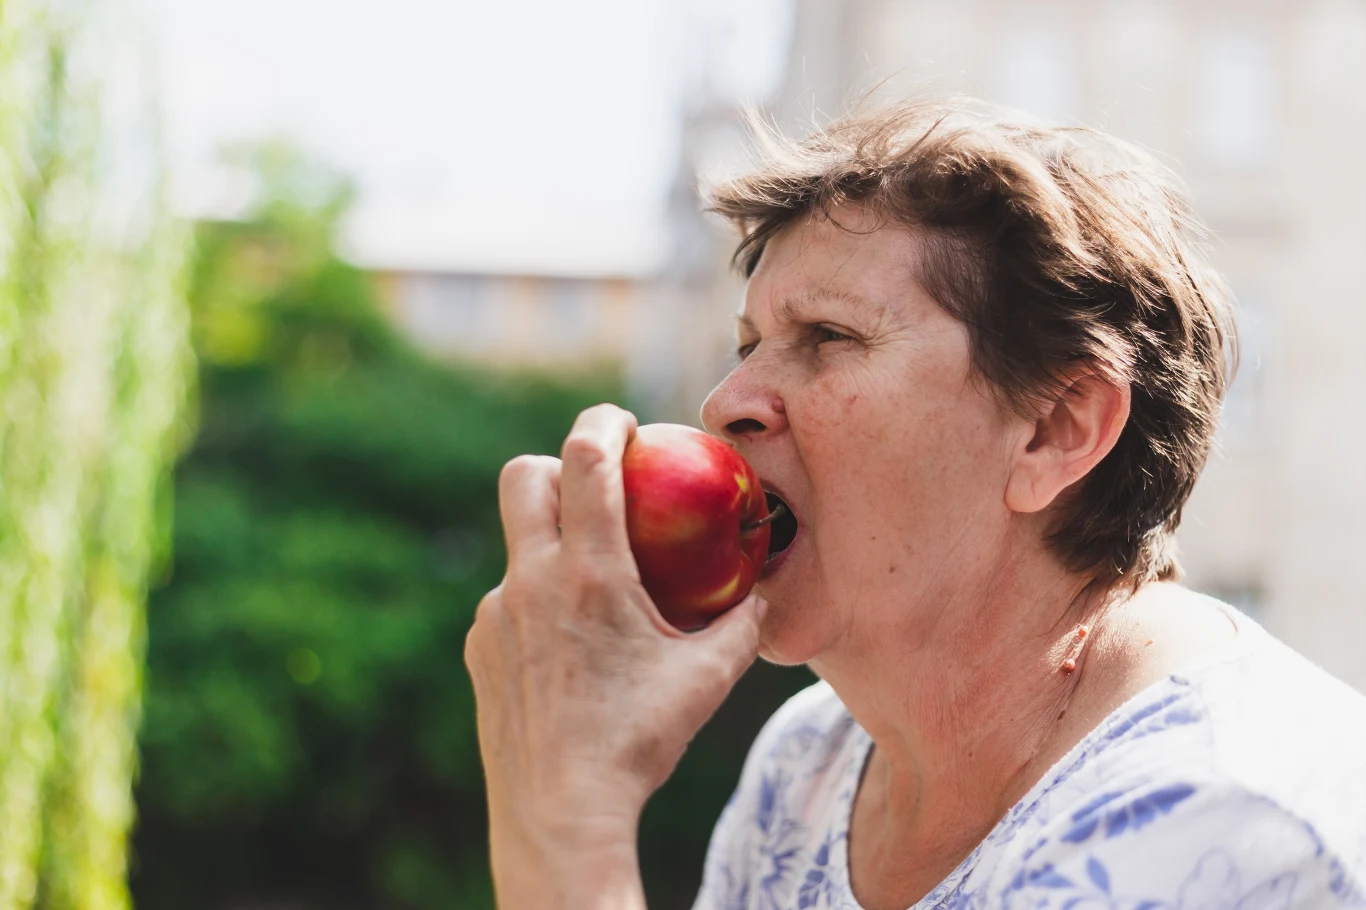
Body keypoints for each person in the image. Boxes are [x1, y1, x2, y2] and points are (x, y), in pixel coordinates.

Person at [463, 98, 1366, 909]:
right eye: (747, 345)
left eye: (827, 336)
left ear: (1056, 429)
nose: (725, 402)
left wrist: (568, 820)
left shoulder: (1221, 824)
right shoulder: (809, 763)